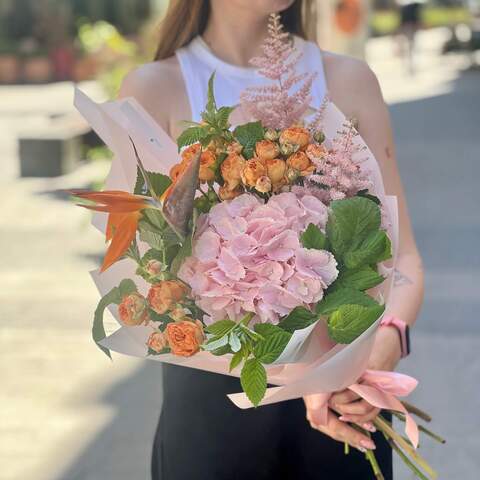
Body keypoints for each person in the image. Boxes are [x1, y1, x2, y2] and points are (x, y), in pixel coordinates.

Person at [119, 1, 424, 478]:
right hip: (212, 423)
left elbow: (402, 257)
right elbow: (141, 278)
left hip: (345, 408)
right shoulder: (152, 89)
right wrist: (303, 374)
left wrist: (384, 343)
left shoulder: (350, 81)